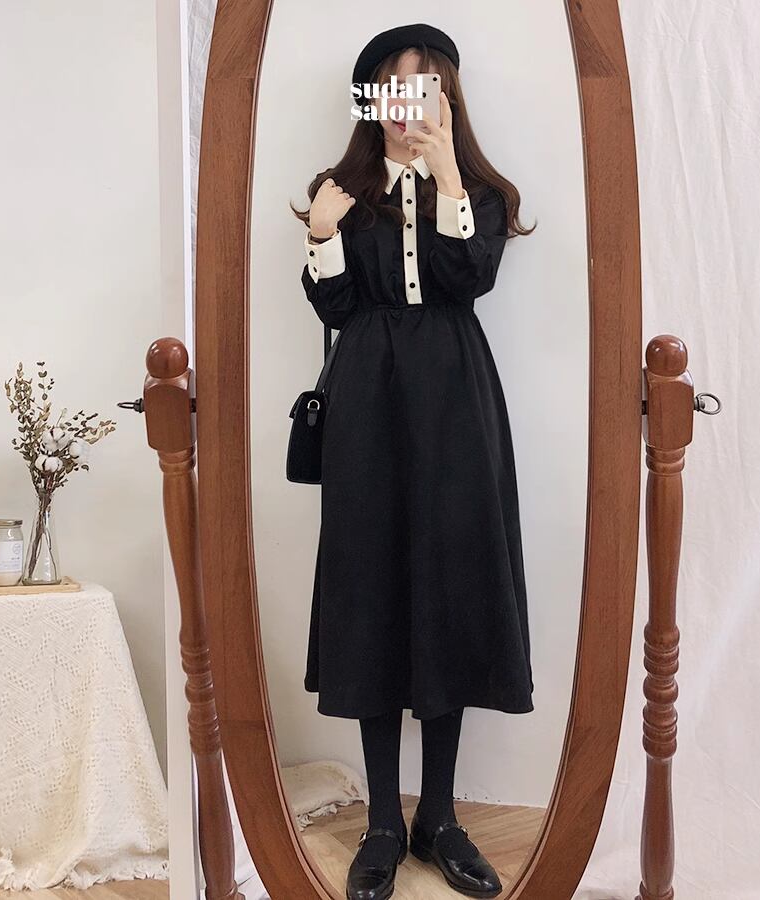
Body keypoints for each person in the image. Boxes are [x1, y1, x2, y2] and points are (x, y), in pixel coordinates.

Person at [291, 23, 536, 900]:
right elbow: (339, 307)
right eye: (392, 87)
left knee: (451, 590)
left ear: (446, 98)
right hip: (367, 410)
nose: (408, 103)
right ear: (371, 101)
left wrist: (447, 179)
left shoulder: (480, 192)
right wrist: (323, 234)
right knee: (370, 593)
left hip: (456, 408)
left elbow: (468, 278)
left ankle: (438, 815)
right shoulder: (339, 192)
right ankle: (384, 825)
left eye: (424, 86)